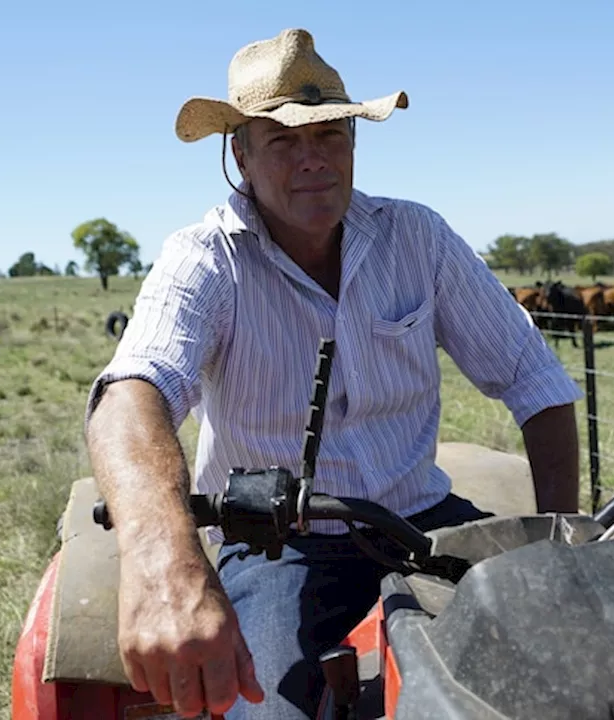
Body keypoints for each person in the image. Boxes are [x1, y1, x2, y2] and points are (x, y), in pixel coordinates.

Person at [83, 27, 583, 719]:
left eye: (331, 135)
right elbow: (131, 394)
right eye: (284, 141)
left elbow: (538, 383)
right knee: (267, 710)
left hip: (422, 523)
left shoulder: (419, 237)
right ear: (242, 157)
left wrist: (561, 535)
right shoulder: (205, 259)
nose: (313, 160)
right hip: (278, 545)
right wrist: (164, 562)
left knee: (567, 663)